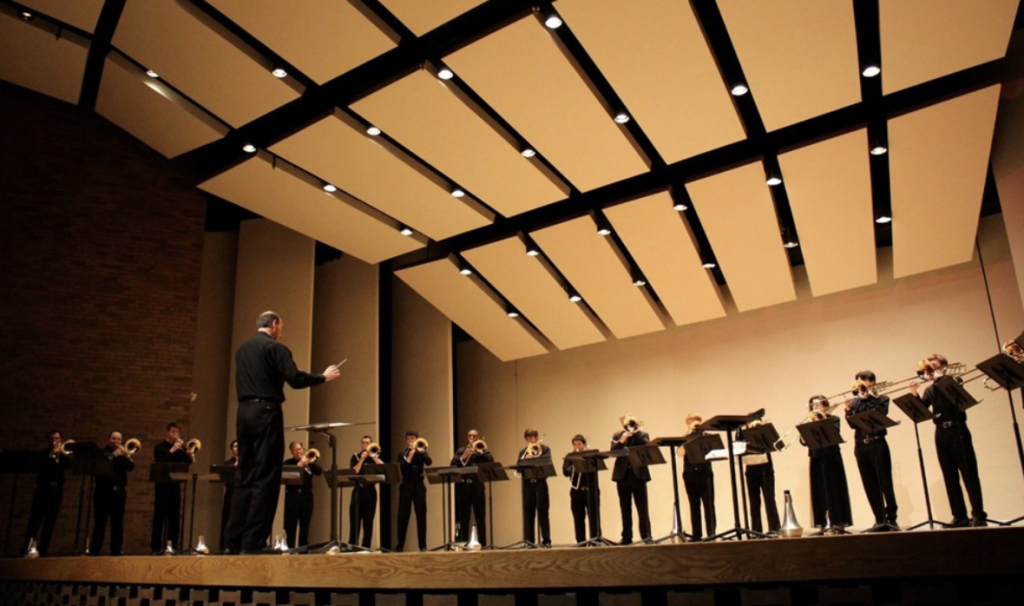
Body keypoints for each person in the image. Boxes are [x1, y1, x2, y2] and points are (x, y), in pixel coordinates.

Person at [224, 311, 340, 554]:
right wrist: (323, 377)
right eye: (281, 327)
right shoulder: (275, 349)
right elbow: (295, 379)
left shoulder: (242, 350)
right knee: (267, 476)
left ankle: (232, 542)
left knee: (245, 475)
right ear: (274, 324)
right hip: (266, 412)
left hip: (243, 413)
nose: (281, 332)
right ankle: (253, 542)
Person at [911, 354, 987, 527]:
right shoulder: (930, 389)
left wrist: (943, 380)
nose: (931, 369)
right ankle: (959, 515)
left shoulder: (955, 380)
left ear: (944, 366)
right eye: (929, 367)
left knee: (969, 474)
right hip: (940, 433)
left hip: (958, 429)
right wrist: (914, 394)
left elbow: (958, 399)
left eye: (935, 365)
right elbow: (921, 411)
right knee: (949, 476)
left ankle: (978, 514)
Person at [845, 371, 899, 531]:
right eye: (858, 383)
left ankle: (891, 519)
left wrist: (870, 396)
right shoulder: (855, 403)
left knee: (885, 483)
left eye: (863, 383)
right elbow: (853, 424)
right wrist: (848, 410)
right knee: (869, 484)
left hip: (878, 444)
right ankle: (879, 518)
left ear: (872, 383)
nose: (859, 386)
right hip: (860, 446)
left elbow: (880, 415)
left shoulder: (882, 399)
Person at [23, 430, 73, 557]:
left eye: (57, 438)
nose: (55, 441)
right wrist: (51, 456)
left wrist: (62, 454)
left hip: (56, 490)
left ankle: (43, 549)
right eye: (52, 438)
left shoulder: (63, 455)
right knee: (35, 520)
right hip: (43, 490)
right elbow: (41, 469)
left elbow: (69, 466)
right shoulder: (43, 455)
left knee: (50, 522)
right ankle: (26, 548)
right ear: (49, 440)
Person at [806, 394, 852, 532]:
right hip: (816, 457)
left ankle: (838, 521)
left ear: (825, 406)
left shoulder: (834, 419)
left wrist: (822, 419)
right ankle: (821, 522)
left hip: (832, 457)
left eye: (818, 404)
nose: (815, 407)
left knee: (835, 488)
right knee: (819, 489)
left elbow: (834, 433)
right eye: (813, 405)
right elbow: (805, 441)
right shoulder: (808, 422)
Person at [89, 431, 135, 555]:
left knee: (117, 523)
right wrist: (114, 456)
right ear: (108, 439)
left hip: (119, 493)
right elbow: (100, 468)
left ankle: (116, 550)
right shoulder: (101, 453)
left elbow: (131, 467)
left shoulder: (122, 455)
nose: (116, 441)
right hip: (103, 493)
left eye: (119, 439)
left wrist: (127, 456)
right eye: (113, 438)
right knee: (100, 523)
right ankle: (95, 550)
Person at [151, 422, 192, 554]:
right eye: (173, 432)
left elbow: (189, 461)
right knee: (159, 517)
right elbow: (160, 461)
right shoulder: (160, 447)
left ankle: (173, 546)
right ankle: (156, 548)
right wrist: (172, 450)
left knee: (174, 517)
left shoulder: (179, 448)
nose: (175, 435)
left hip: (175, 486)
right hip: (162, 486)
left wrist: (184, 450)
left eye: (177, 432)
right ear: (167, 432)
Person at [610, 415, 651, 545]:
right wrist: (622, 440)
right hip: (622, 475)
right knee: (625, 508)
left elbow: (646, 447)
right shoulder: (617, 435)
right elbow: (613, 452)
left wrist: (635, 433)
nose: (626, 424)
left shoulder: (642, 434)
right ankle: (627, 537)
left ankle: (646, 536)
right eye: (624, 422)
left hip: (638, 474)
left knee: (642, 508)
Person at [452, 429, 493, 546]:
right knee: (464, 517)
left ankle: (483, 544)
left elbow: (491, 462)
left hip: (477, 486)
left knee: (480, 517)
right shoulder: (461, 450)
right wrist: (463, 457)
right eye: (469, 436)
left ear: (478, 437)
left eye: (474, 436)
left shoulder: (482, 450)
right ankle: (464, 543)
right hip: (464, 487)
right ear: (467, 437)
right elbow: (453, 465)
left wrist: (482, 452)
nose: (472, 438)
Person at [739, 421, 780, 536]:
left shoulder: (763, 432)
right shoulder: (743, 433)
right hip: (751, 469)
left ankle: (774, 528)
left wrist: (760, 427)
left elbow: (775, 444)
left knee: (769, 499)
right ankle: (756, 530)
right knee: (754, 502)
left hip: (766, 469)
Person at [395, 429, 432, 552]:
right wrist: (410, 454)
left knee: (421, 516)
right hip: (406, 486)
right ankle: (400, 546)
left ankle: (423, 546)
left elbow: (429, 462)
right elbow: (401, 468)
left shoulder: (421, 452)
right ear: (406, 440)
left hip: (419, 486)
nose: (411, 440)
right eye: (409, 438)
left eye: (413, 438)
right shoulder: (402, 453)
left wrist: (422, 451)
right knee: (403, 516)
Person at [681, 413, 716, 540]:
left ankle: (711, 533)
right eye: (688, 421)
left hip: (704, 473)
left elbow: (714, 452)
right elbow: (679, 453)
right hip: (689, 474)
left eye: (693, 421)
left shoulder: (708, 437)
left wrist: (699, 434)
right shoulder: (685, 437)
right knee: (694, 505)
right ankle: (697, 534)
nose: (691, 423)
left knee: (709, 505)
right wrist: (688, 437)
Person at [283, 441, 322, 548]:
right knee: (290, 526)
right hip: (292, 496)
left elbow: (319, 471)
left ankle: (303, 550)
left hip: (306, 496)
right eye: (296, 450)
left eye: (300, 449)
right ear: (291, 451)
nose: (299, 451)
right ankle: (290, 549)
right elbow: (286, 475)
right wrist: (300, 465)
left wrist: (309, 462)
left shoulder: (309, 462)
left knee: (305, 525)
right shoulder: (287, 463)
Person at [517, 428, 552, 547]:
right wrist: (524, 460)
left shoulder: (545, 449)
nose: (530, 441)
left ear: (536, 438)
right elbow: (518, 469)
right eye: (527, 439)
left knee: (543, 512)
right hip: (527, 485)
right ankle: (529, 541)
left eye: (531, 438)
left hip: (540, 483)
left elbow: (547, 463)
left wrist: (536, 457)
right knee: (528, 513)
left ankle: (546, 540)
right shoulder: (523, 452)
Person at [562, 434, 598, 544]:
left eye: (579, 444)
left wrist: (588, 459)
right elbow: (565, 472)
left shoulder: (590, 455)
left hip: (591, 490)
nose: (577, 446)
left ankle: (595, 541)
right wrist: (574, 465)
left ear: (584, 445)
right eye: (575, 444)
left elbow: (597, 467)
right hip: (576, 491)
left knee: (594, 518)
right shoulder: (569, 456)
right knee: (578, 518)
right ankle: (581, 542)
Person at [349, 435, 383, 548]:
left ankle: (366, 547)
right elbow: (355, 471)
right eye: (363, 443)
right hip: (358, 490)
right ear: (361, 444)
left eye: (368, 443)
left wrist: (372, 456)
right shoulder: (355, 457)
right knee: (355, 521)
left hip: (370, 491)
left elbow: (383, 467)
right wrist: (362, 459)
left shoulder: (374, 457)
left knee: (368, 522)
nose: (365, 445)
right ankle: (353, 545)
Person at [219, 440, 239, 552]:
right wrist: (236, 465)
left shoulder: (247, 463)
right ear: (232, 449)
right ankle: (225, 546)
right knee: (228, 520)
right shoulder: (227, 463)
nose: (238, 448)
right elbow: (225, 479)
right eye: (235, 446)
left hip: (241, 494)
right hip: (231, 494)